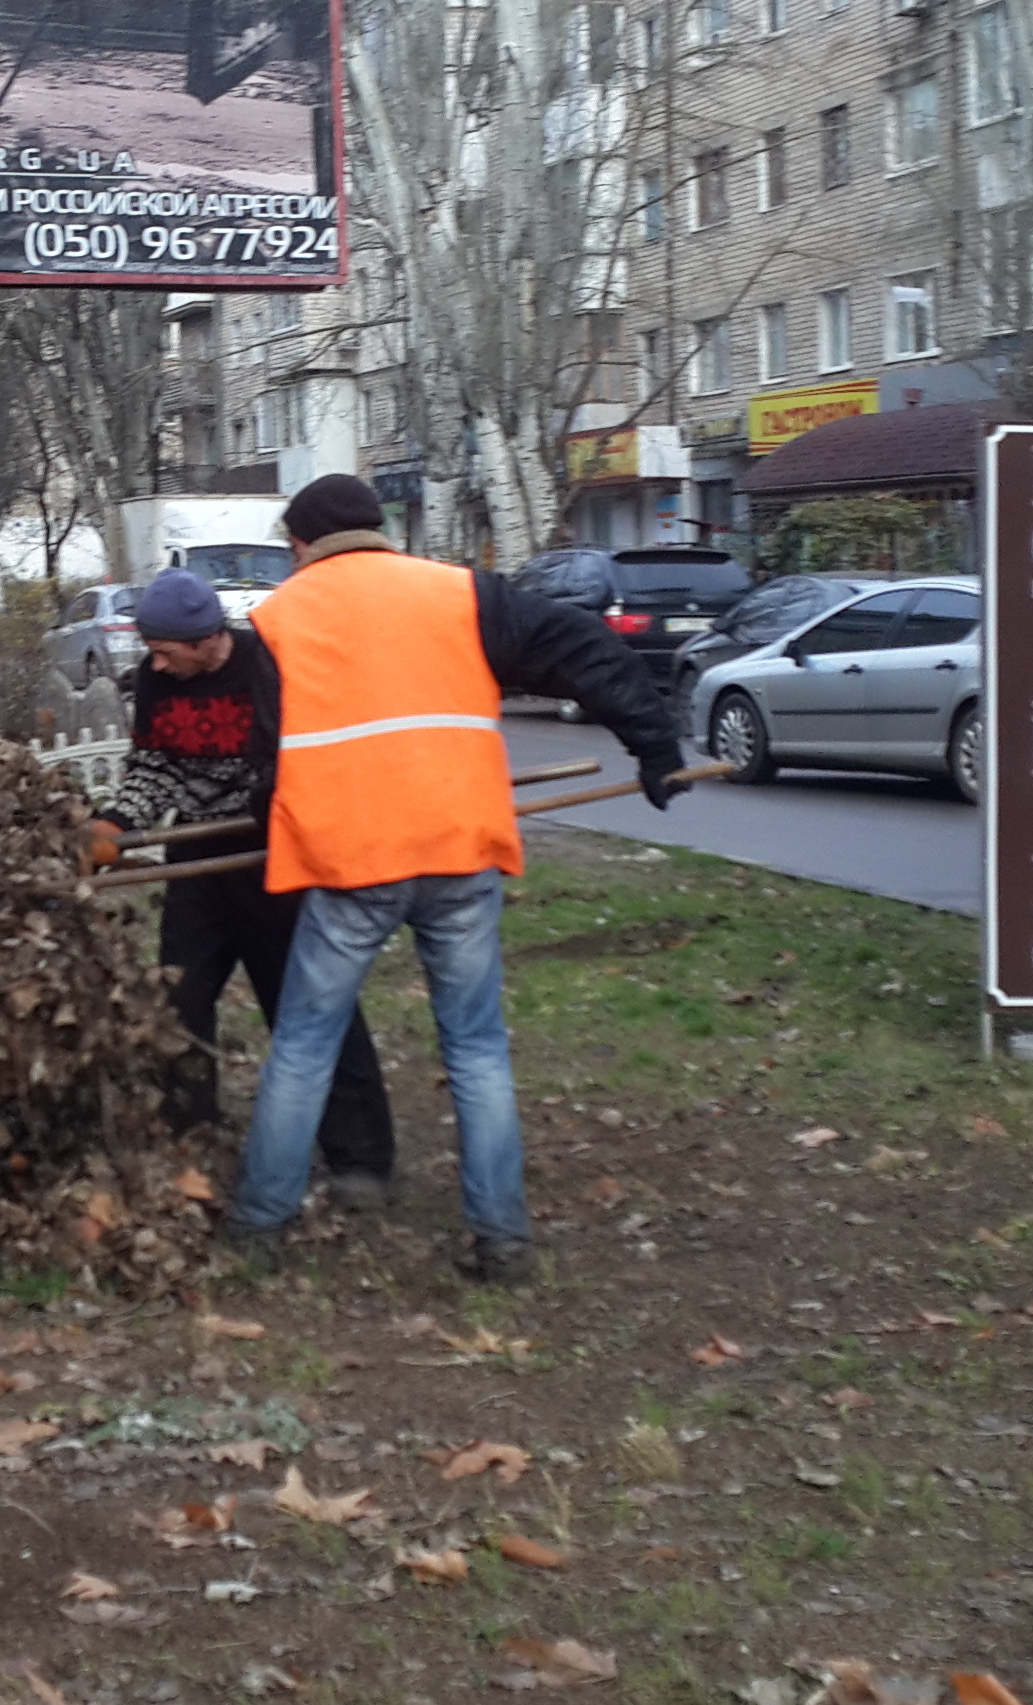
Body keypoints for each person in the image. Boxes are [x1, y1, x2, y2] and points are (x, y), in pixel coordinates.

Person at [230, 475, 685, 1285]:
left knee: (302, 1046)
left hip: (352, 862)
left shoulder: (277, 619)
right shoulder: (462, 593)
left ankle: (259, 1229)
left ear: (302, 545)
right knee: (476, 1050)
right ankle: (502, 1240)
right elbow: (583, 649)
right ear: (378, 531)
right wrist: (654, 743)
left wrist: (277, 831)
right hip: (459, 845)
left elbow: (268, 758)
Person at [85, 569, 396, 1200]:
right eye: (152, 651)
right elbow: (155, 765)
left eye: (167, 650)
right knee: (180, 1003)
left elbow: (299, 759)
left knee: (306, 1005)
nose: (158, 664)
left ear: (205, 639)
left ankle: (361, 1158)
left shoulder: (267, 667)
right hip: (197, 860)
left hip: (272, 861)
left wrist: (272, 808)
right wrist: (115, 824)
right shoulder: (156, 681)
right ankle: (190, 1140)